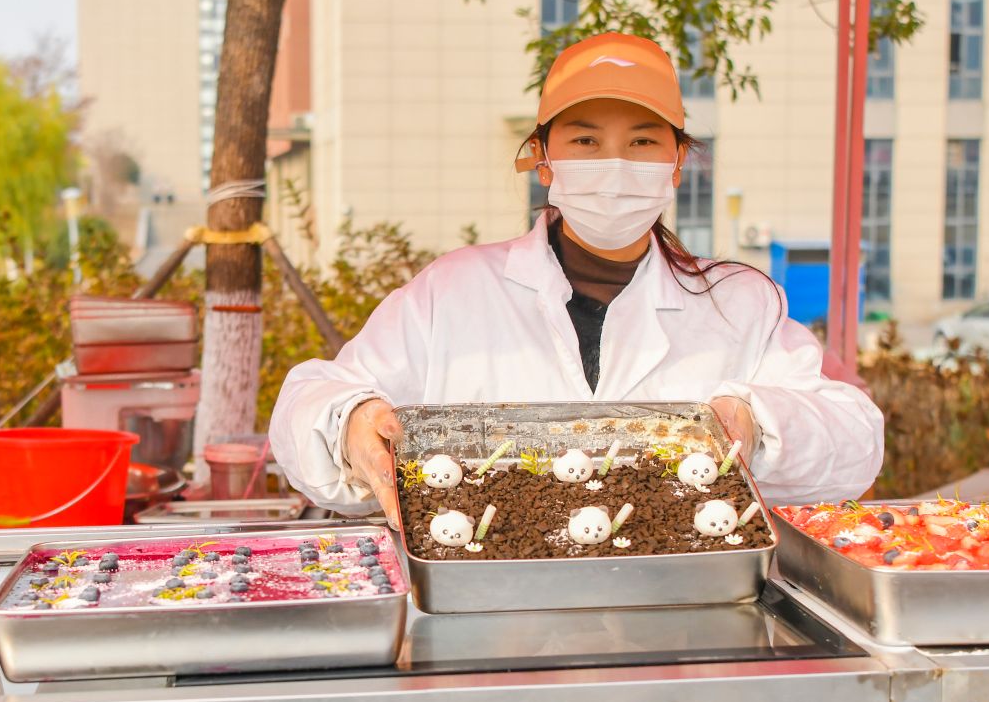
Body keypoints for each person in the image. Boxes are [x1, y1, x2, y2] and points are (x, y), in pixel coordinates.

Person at [269, 32, 884, 525]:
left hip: (685, 621)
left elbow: (856, 442)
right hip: (485, 624)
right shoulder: (454, 292)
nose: (613, 164)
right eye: (585, 140)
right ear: (543, 160)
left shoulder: (740, 304)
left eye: (642, 141)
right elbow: (312, 399)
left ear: (676, 164)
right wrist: (348, 423)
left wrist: (757, 423)